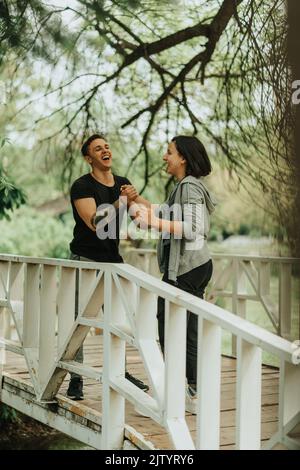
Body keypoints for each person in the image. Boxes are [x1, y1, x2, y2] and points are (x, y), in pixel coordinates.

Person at [124, 135, 216, 414]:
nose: (165, 157)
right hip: (195, 265)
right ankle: (192, 391)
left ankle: (182, 393)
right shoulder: (184, 187)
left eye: (169, 152)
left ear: (183, 158)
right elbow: (165, 213)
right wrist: (137, 199)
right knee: (184, 329)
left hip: (187, 267)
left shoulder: (188, 187)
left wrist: (153, 221)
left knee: (171, 328)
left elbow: (194, 228)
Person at [67, 133, 149, 400]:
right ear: (88, 158)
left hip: (113, 262)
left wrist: (141, 203)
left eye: (107, 146)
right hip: (86, 261)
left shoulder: (124, 184)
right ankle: (75, 378)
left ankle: (121, 372)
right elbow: (94, 222)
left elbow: (146, 216)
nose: (105, 150)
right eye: (97, 148)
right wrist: (123, 201)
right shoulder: (82, 186)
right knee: (80, 322)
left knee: (119, 322)